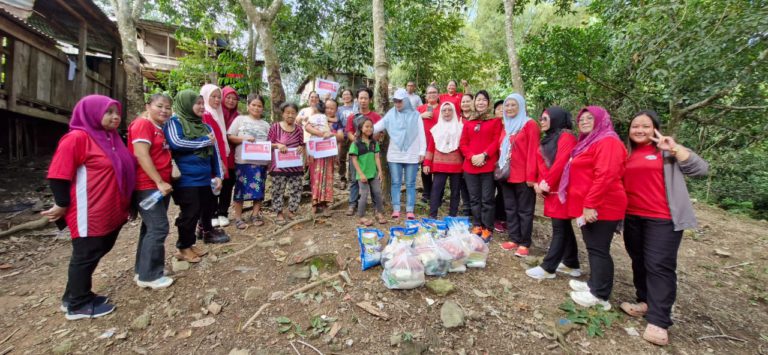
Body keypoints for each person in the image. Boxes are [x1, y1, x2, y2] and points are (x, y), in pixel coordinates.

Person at [620, 110, 708, 346]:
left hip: (663, 219)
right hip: (632, 217)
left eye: (645, 126)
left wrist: (676, 148)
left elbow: (701, 170)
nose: (639, 130)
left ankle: (659, 320)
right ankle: (645, 301)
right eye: (635, 126)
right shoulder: (627, 154)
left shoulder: (667, 152)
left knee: (659, 265)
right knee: (638, 260)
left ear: (655, 129)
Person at [43, 95, 136, 319]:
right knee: (86, 253)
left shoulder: (110, 137)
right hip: (89, 209)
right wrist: (61, 203)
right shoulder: (77, 138)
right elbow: (58, 174)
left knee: (98, 249)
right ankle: (78, 305)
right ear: (92, 113)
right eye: (108, 112)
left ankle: (74, 295)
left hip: (110, 207)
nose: (115, 117)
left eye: (116, 112)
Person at [558, 106, 627, 310]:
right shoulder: (589, 142)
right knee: (593, 247)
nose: (585, 121)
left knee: (599, 249)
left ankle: (600, 295)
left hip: (602, 205)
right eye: (582, 119)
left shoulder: (608, 141)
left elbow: (605, 175)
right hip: (590, 204)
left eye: (590, 118)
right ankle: (593, 285)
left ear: (601, 120)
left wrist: (590, 205)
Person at [166, 90, 228, 254]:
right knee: (190, 212)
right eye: (197, 103)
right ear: (186, 104)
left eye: (202, 103)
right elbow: (176, 143)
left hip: (205, 177)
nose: (201, 107)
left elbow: (214, 151)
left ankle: (196, 240)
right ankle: (184, 247)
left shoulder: (205, 126)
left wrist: (219, 175)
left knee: (208, 207)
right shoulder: (175, 123)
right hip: (186, 179)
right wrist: (204, 141)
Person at [525, 107, 580, 280]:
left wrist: (546, 183)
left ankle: (548, 267)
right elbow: (542, 162)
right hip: (551, 190)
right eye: (540, 118)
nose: (541, 121)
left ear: (556, 118)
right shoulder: (549, 138)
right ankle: (571, 263)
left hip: (561, 190)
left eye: (545, 118)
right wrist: (537, 182)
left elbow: (561, 162)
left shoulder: (566, 137)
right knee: (563, 226)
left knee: (559, 228)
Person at [129, 93, 175, 290]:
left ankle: (143, 269)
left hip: (159, 185)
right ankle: (150, 275)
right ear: (148, 106)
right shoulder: (143, 124)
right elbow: (141, 154)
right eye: (159, 106)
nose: (164, 110)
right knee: (159, 227)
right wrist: (158, 181)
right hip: (148, 185)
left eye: (167, 107)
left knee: (149, 228)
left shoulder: (159, 128)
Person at [374, 88, 427, 220]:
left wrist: (422, 151)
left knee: (410, 183)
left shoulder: (416, 115)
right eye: (395, 101)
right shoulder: (391, 114)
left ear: (406, 101)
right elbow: (377, 126)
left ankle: (410, 209)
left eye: (400, 101)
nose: (397, 104)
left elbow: (421, 134)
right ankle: (396, 208)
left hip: (412, 154)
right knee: (396, 182)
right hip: (395, 154)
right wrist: (363, 128)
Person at [498, 94, 540, 257]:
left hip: (523, 176)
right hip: (506, 174)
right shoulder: (507, 126)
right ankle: (514, 238)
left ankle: (524, 242)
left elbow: (533, 152)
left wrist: (531, 177)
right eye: (507, 105)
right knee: (510, 208)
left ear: (521, 106)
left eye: (513, 105)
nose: (509, 108)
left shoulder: (529, 125)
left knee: (525, 210)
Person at [459, 90, 502, 241]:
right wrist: (472, 157)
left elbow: (496, 141)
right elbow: (463, 143)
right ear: (474, 102)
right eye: (478, 100)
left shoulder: (495, 121)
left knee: (487, 199)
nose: (481, 102)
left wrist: (484, 155)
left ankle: (487, 227)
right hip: (470, 166)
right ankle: (477, 224)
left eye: (484, 100)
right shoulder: (469, 122)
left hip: (488, 165)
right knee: (474, 198)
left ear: (488, 102)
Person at [227, 94, 271, 229]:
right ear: (248, 105)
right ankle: (238, 218)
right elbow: (230, 137)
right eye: (254, 105)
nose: (256, 108)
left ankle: (255, 214)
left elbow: (269, 143)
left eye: (259, 106)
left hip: (260, 162)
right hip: (243, 161)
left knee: (259, 189)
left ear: (263, 108)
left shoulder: (266, 124)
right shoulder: (240, 120)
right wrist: (244, 139)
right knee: (240, 190)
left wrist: (269, 161)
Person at [344, 87, 382, 216]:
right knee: (354, 178)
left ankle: (376, 206)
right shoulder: (352, 117)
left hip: (371, 153)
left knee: (372, 177)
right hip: (356, 152)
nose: (363, 101)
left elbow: (380, 132)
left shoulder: (376, 116)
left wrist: (371, 141)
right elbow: (348, 132)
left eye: (366, 98)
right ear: (357, 100)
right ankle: (352, 204)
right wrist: (356, 142)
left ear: (370, 100)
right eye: (361, 98)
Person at [423, 102, 464, 218]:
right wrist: (427, 163)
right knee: (436, 190)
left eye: (449, 110)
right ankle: (432, 216)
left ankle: (452, 216)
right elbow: (430, 146)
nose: (447, 112)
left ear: (453, 112)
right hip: (439, 164)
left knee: (455, 192)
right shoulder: (436, 129)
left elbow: (464, 146)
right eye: (444, 110)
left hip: (456, 165)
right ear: (440, 113)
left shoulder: (460, 128)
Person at [268, 102, 305, 225]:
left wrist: (301, 148)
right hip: (278, 166)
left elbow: (302, 145)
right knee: (278, 190)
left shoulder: (299, 129)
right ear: (282, 114)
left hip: (295, 166)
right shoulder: (275, 127)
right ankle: (279, 212)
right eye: (287, 112)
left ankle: (292, 211)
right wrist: (277, 145)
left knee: (296, 188)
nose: (290, 115)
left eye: (293, 113)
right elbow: (267, 144)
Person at [200, 84, 231, 228]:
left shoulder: (216, 114)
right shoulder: (205, 115)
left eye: (219, 97)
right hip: (212, 155)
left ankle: (221, 213)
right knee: (213, 183)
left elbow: (220, 137)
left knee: (221, 183)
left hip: (220, 154)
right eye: (213, 96)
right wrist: (219, 161)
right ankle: (211, 215)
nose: (217, 100)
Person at [350, 118, 386, 226]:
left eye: (371, 126)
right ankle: (361, 216)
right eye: (366, 126)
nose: (369, 128)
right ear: (361, 128)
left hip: (373, 174)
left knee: (378, 193)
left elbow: (377, 158)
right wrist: (361, 174)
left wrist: (380, 172)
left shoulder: (374, 143)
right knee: (364, 195)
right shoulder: (356, 143)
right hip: (363, 175)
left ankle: (379, 212)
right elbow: (354, 160)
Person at [304, 100, 336, 216]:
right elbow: (307, 128)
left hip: (327, 151)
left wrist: (329, 134)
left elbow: (333, 133)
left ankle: (325, 203)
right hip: (314, 150)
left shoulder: (329, 120)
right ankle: (314, 202)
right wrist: (321, 134)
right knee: (315, 175)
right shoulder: (311, 118)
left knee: (327, 177)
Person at [220, 86, 240, 227]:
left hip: (232, 156)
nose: (231, 101)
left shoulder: (238, 117)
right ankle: (210, 214)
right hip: (217, 155)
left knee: (228, 185)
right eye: (228, 97)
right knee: (215, 186)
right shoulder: (215, 114)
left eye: (234, 99)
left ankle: (222, 213)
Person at [417, 85, 441, 204]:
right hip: (424, 143)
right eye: (429, 92)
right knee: (425, 169)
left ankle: (437, 195)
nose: (431, 94)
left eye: (434, 92)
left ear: (438, 95)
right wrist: (421, 116)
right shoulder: (421, 108)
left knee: (438, 169)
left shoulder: (443, 108)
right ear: (426, 96)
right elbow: (409, 120)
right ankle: (427, 193)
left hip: (439, 144)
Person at [336, 89, 356, 189]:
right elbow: (337, 121)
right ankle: (342, 179)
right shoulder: (339, 109)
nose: (346, 96)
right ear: (342, 97)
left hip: (353, 135)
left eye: (348, 94)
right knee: (341, 157)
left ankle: (352, 180)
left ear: (352, 96)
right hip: (343, 135)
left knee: (353, 157)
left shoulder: (356, 107)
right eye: (344, 94)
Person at [492, 99, 507, 233]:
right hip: (491, 163)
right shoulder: (492, 124)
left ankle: (502, 217)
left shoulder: (510, 125)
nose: (501, 110)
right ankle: (496, 218)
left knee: (503, 192)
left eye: (504, 107)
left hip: (505, 167)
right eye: (498, 108)